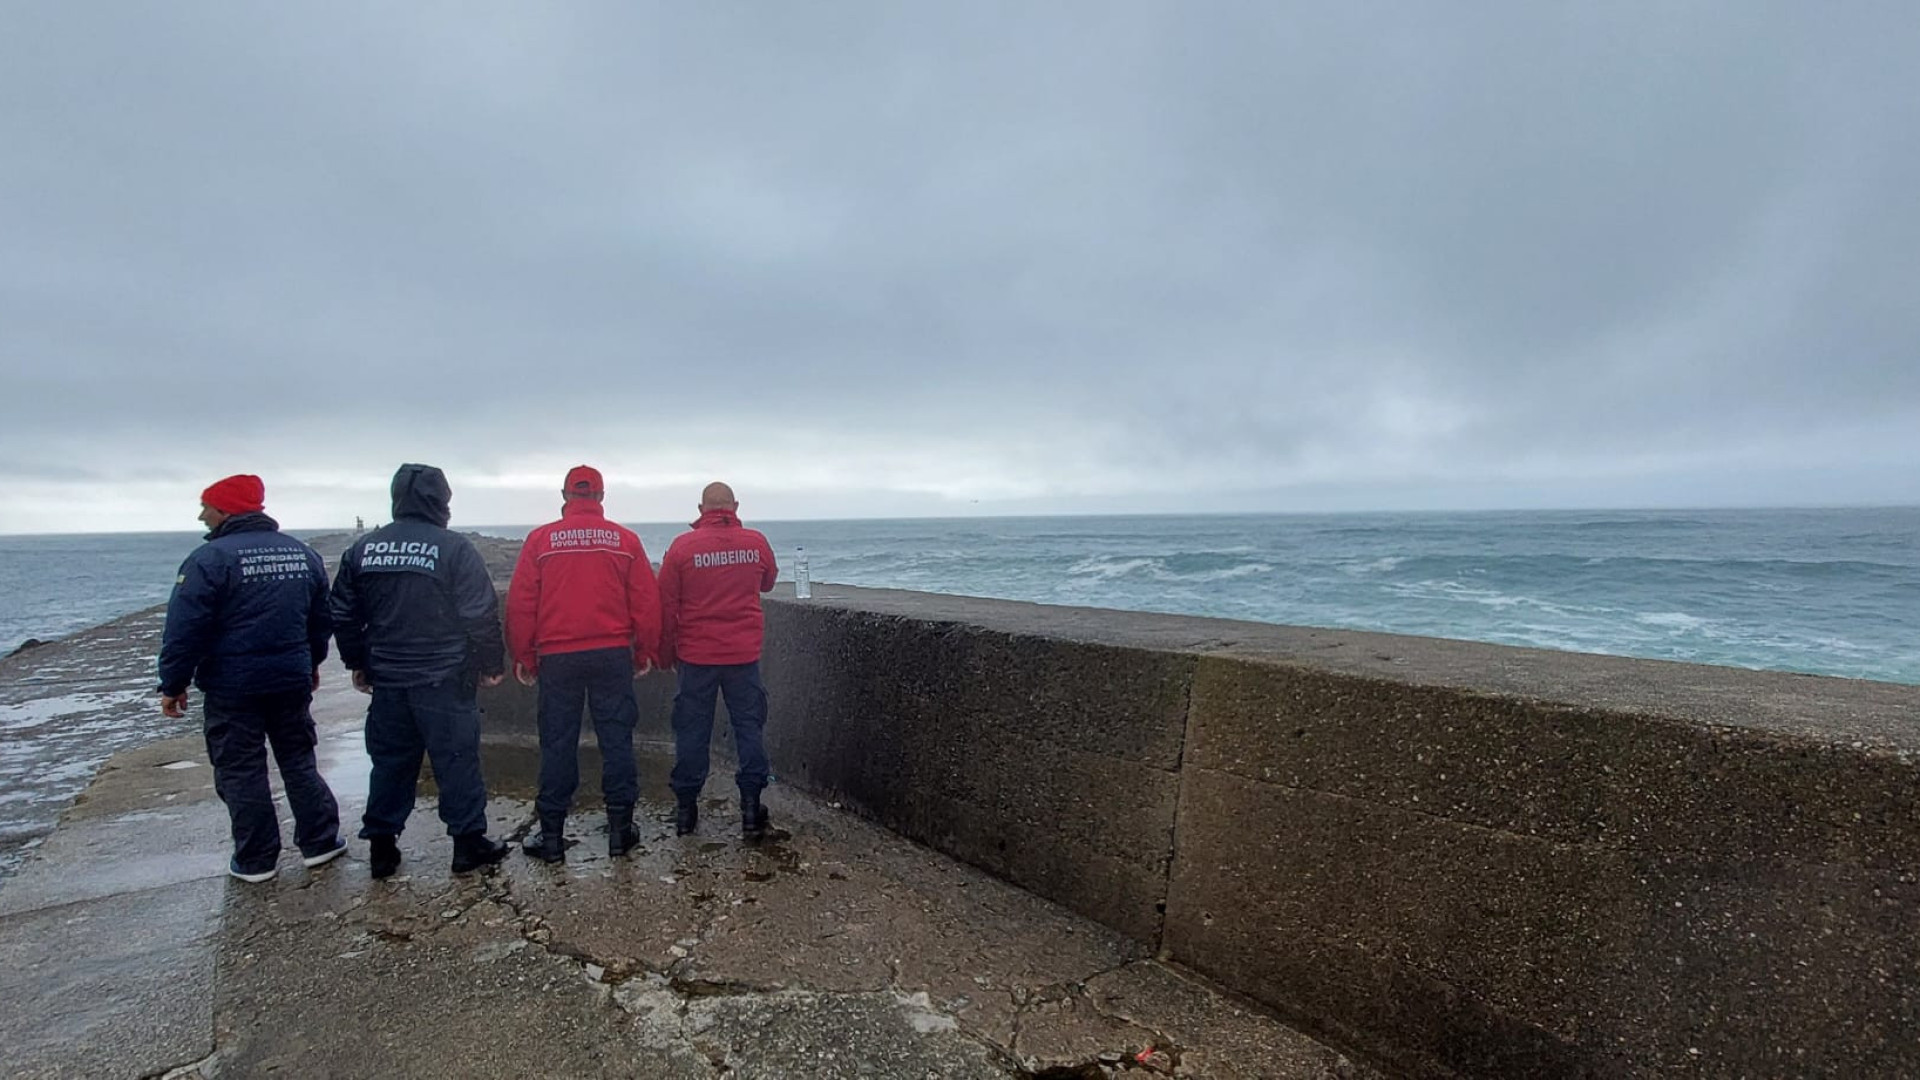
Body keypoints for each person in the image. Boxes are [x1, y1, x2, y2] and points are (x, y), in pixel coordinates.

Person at [157, 474, 345, 883]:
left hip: (232, 685)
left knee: (240, 769)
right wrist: (311, 662)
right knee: (298, 759)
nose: (201, 515)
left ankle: (257, 858)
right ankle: (321, 840)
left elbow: (184, 629)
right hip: (289, 678)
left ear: (226, 510)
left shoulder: (209, 560)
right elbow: (320, 620)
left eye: (206, 507)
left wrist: (173, 683)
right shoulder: (301, 554)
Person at [329, 464, 511, 879]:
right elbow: (479, 612)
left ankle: (381, 846)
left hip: (389, 679)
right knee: (457, 759)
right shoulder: (452, 548)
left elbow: (341, 611)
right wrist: (490, 663)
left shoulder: (364, 549)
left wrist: (358, 661)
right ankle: (467, 843)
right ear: (441, 501)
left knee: (390, 762)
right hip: (444, 677)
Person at [505, 465, 661, 862]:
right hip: (611, 655)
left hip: (558, 657)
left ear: (564, 496)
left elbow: (522, 602)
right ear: (601, 497)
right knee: (617, 741)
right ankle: (620, 831)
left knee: (558, 743)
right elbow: (646, 601)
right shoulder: (625, 540)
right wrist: (643, 650)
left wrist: (523, 654)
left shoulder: (541, 540)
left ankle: (553, 836)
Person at [657, 481, 779, 840]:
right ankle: (751, 806)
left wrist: (665, 652)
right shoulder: (756, 542)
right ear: (735, 506)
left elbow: (666, 604)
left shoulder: (683, 547)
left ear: (701, 509)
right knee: (749, 727)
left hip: (696, 656)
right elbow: (769, 583)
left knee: (692, 730)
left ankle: (685, 810)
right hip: (743, 655)